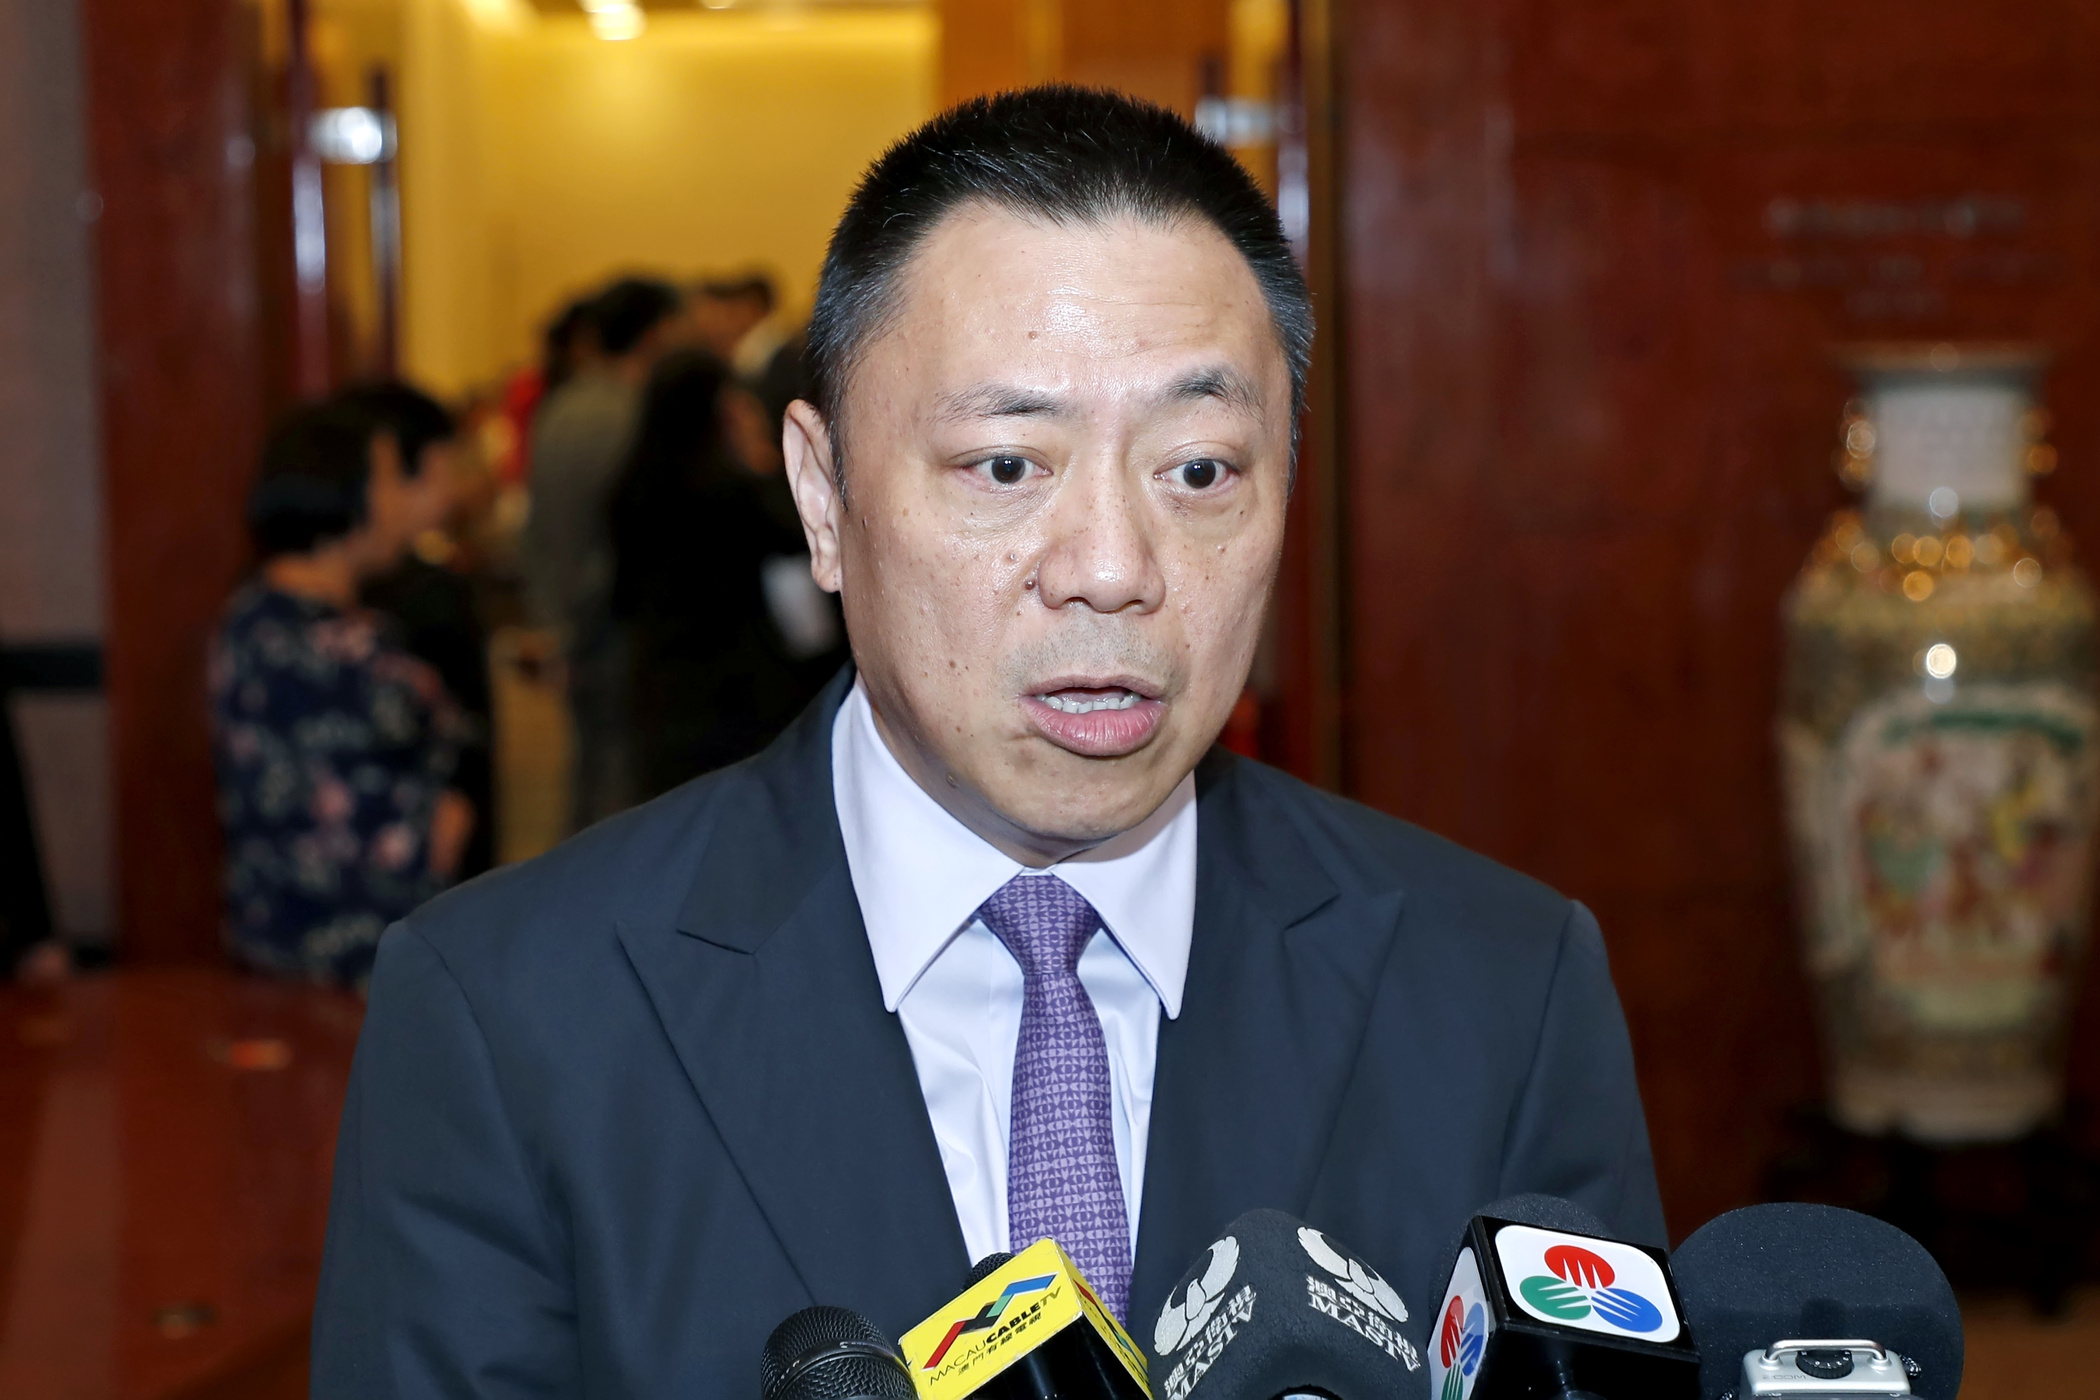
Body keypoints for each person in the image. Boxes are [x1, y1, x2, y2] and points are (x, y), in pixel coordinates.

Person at [313, 87, 1662, 1397]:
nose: (1113, 569)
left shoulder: (1503, 990)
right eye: (1007, 465)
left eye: (1199, 470)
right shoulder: (509, 1017)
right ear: (823, 496)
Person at [210, 404, 472, 989]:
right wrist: (437, 826)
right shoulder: (305, 642)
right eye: (387, 481)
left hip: (305, 943)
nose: (397, 503)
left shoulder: (262, 618)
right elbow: (329, 806)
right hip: (341, 956)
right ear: (344, 492)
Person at [609, 349, 841, 796]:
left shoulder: (632, 492)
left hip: (660, 698)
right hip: (742, 703)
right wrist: (771, 473)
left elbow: (621, 598)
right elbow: (806, 610)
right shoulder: (739, 499)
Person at [519, 276, 684, 830]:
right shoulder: (635, 415)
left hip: (569, 610)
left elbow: (541, 526)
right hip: (614, 619)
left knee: (588, 765)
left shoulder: (561, 405)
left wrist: (549, 618)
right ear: (656, 334)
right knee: (622, 774)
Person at [342, 381, 496, 880]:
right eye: (445, 468)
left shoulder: (355, 589)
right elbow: (468, 765)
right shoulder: (427, 597)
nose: (452, 490)